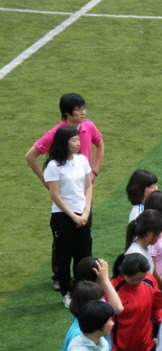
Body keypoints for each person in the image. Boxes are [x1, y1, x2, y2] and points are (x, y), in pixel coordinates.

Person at [25, 93, 103, 291]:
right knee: (63, 244)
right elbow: (31, 156)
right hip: (65, 201)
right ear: (67, 113)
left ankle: (81, 282)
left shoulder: (88, 128)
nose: (83, 112)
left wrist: (94, 171)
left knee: (83, 243)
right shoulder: (57, 135)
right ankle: (61, 278)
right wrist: (48, 181)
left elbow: (100, 143)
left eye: (83, 108)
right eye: (78, 109)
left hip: (82, 196)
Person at [42, 126, 93, 307]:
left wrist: (86, 212)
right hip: (63, 216)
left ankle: (83, 290)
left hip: (83, 213)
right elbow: (55, 195)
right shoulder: (53, 165)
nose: (79, 143)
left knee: (84, 255)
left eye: (78, 139)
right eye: (74, 140)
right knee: (65, 255)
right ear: (64, 142)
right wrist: (74, 216)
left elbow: (88, 186)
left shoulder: (82, 160)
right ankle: (67, 292)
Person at [144, 191, 162, 309]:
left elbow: (161, 247)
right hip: (155, 291)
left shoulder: (158, 230)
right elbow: (152, 271)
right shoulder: (151, 237)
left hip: (160, 285)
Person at [125, 209, 162, 275]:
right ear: (150, 232)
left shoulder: (143, 249)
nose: (159, 237)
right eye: (159, 233)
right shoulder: (136, 256)